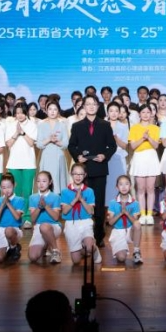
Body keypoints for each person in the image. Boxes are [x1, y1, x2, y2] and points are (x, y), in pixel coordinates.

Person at [67, 95, 117, 247]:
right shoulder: (77, 126)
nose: (90, 106)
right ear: (83, 106)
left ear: (98, 106)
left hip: (100, 169)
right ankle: (83, 235)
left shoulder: (105, 125)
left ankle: (99, 236)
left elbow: (112, 146)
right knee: (82, 201)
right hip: (82, 171)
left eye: (93, 104)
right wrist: (78, 156)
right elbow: (71, 146)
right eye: (87, 104)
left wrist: (104, 156)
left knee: (99, 204)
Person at [127, 104, 161, 226]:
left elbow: (156, 145)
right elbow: (133, 146)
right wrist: (143, 138)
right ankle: (142, 214)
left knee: (150, 188)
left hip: (151, 157)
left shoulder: (155, 128)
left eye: (148, 112)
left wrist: (149, 138)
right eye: (143, 112)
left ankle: (149, 214)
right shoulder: (134, 128)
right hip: (139, 157)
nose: (146, 115)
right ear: (139, 114)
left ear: (151, 114)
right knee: (140, 188)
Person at [61, 162, 101, 265]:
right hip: (71, 223)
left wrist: (82, 199)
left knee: (89, 247)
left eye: (80, 174)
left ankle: (93, 249)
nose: (78, 177)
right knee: (76, 261)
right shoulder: (65, 191)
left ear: (85, 175)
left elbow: (91, 211)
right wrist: (75, 200)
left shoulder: (89, 191)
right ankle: (82, 250)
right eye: (75, 174)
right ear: (71, 174)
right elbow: (64, 211)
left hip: (85, 222)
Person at [4, 103, 38, 208]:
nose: (20, 115)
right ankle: (15, 213)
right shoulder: (11, 125)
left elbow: (31, 143)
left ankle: (26, 215)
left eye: (22, 113)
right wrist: (16, 133)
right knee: (15, 191)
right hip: (14, 163)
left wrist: (22, 133)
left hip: (29, 164)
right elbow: (8, 144)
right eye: (17, 113)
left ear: (26, 113)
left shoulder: (32, 125)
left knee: (27, 191)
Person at [28, 170, 63, 265]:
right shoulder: (32, 197)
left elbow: (56, 218)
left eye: (44, 181)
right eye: (38, 181)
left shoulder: (55, 197)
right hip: (38, 227)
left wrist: (46, 206)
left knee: (44, 227)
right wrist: (39, 207)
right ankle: (46, 246)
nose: (41, 184)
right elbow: (33, 219)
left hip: (53, 226)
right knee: (32, 256)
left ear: (50, 182)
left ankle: (55, 251)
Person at [107, 174, 143, 265]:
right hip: (118, 232)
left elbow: (135, 222)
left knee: (137, 224)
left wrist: (126, 213)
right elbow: (110, 222)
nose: (124, 187)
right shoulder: (113, 203)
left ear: (130, 186)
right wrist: (120, 213)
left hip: (130, 231)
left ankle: (136, 252)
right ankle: (121, 248)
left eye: (126, 184)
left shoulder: (135, 203)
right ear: (117, 187)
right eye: (121, 184)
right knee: (121, 258)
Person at [35, 100, 70, 194]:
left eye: (55, 109)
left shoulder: (62, 125)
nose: (52, 111)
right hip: (46, 156)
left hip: (59, 155)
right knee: (45, 181)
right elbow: (39, 144)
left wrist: (57, 141)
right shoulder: (41, 125)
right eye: (50, 109)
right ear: (46, 110)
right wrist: (49, 139)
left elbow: (66, 144)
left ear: (58, 111)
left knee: (58, 182)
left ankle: (58, 201)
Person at [0, 173, 26, 264]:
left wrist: (8, 203)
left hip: (14, 229)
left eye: (9, 187)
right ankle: (8, 249)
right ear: (0, 187)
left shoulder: (20, 200)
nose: (6, 190)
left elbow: (17, 217)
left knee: (9, 230)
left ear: (14, 185)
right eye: (3, 187)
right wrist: (3, 203)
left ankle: (14, 246)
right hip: (1, 229)